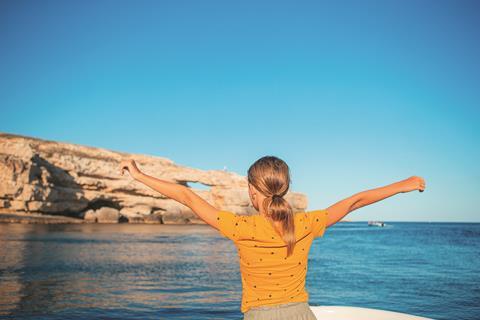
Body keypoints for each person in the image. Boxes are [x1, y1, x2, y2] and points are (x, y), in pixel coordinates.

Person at [119, 155, 426, 320]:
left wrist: (138, 174)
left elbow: (187, 196)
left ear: (252, 192)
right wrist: (403, 184)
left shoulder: (241, 228)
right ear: (285, 189)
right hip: (300, 315)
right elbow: (353, 202)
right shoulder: (306, 223)